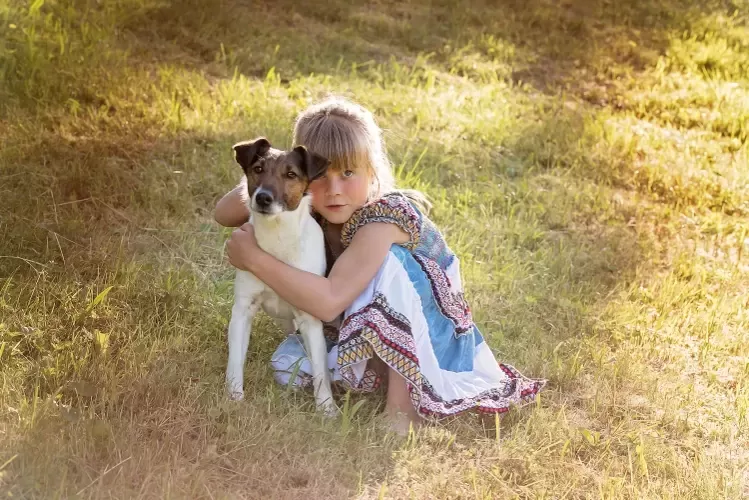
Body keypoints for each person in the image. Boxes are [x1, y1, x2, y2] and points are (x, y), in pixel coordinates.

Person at [216, 97, 545, 434]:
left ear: (371, 169)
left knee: (390, 264)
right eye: (321, 175)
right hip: (359, 324)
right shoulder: (307, 201)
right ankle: (378, 374)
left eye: (348, 172)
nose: (333, 190)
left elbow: (330, 301)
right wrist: (272, 168)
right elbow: (223, 213)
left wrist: (255, 259)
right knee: (290, 368)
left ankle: (402, 411)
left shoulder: (384, 218)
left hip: (432, 336)